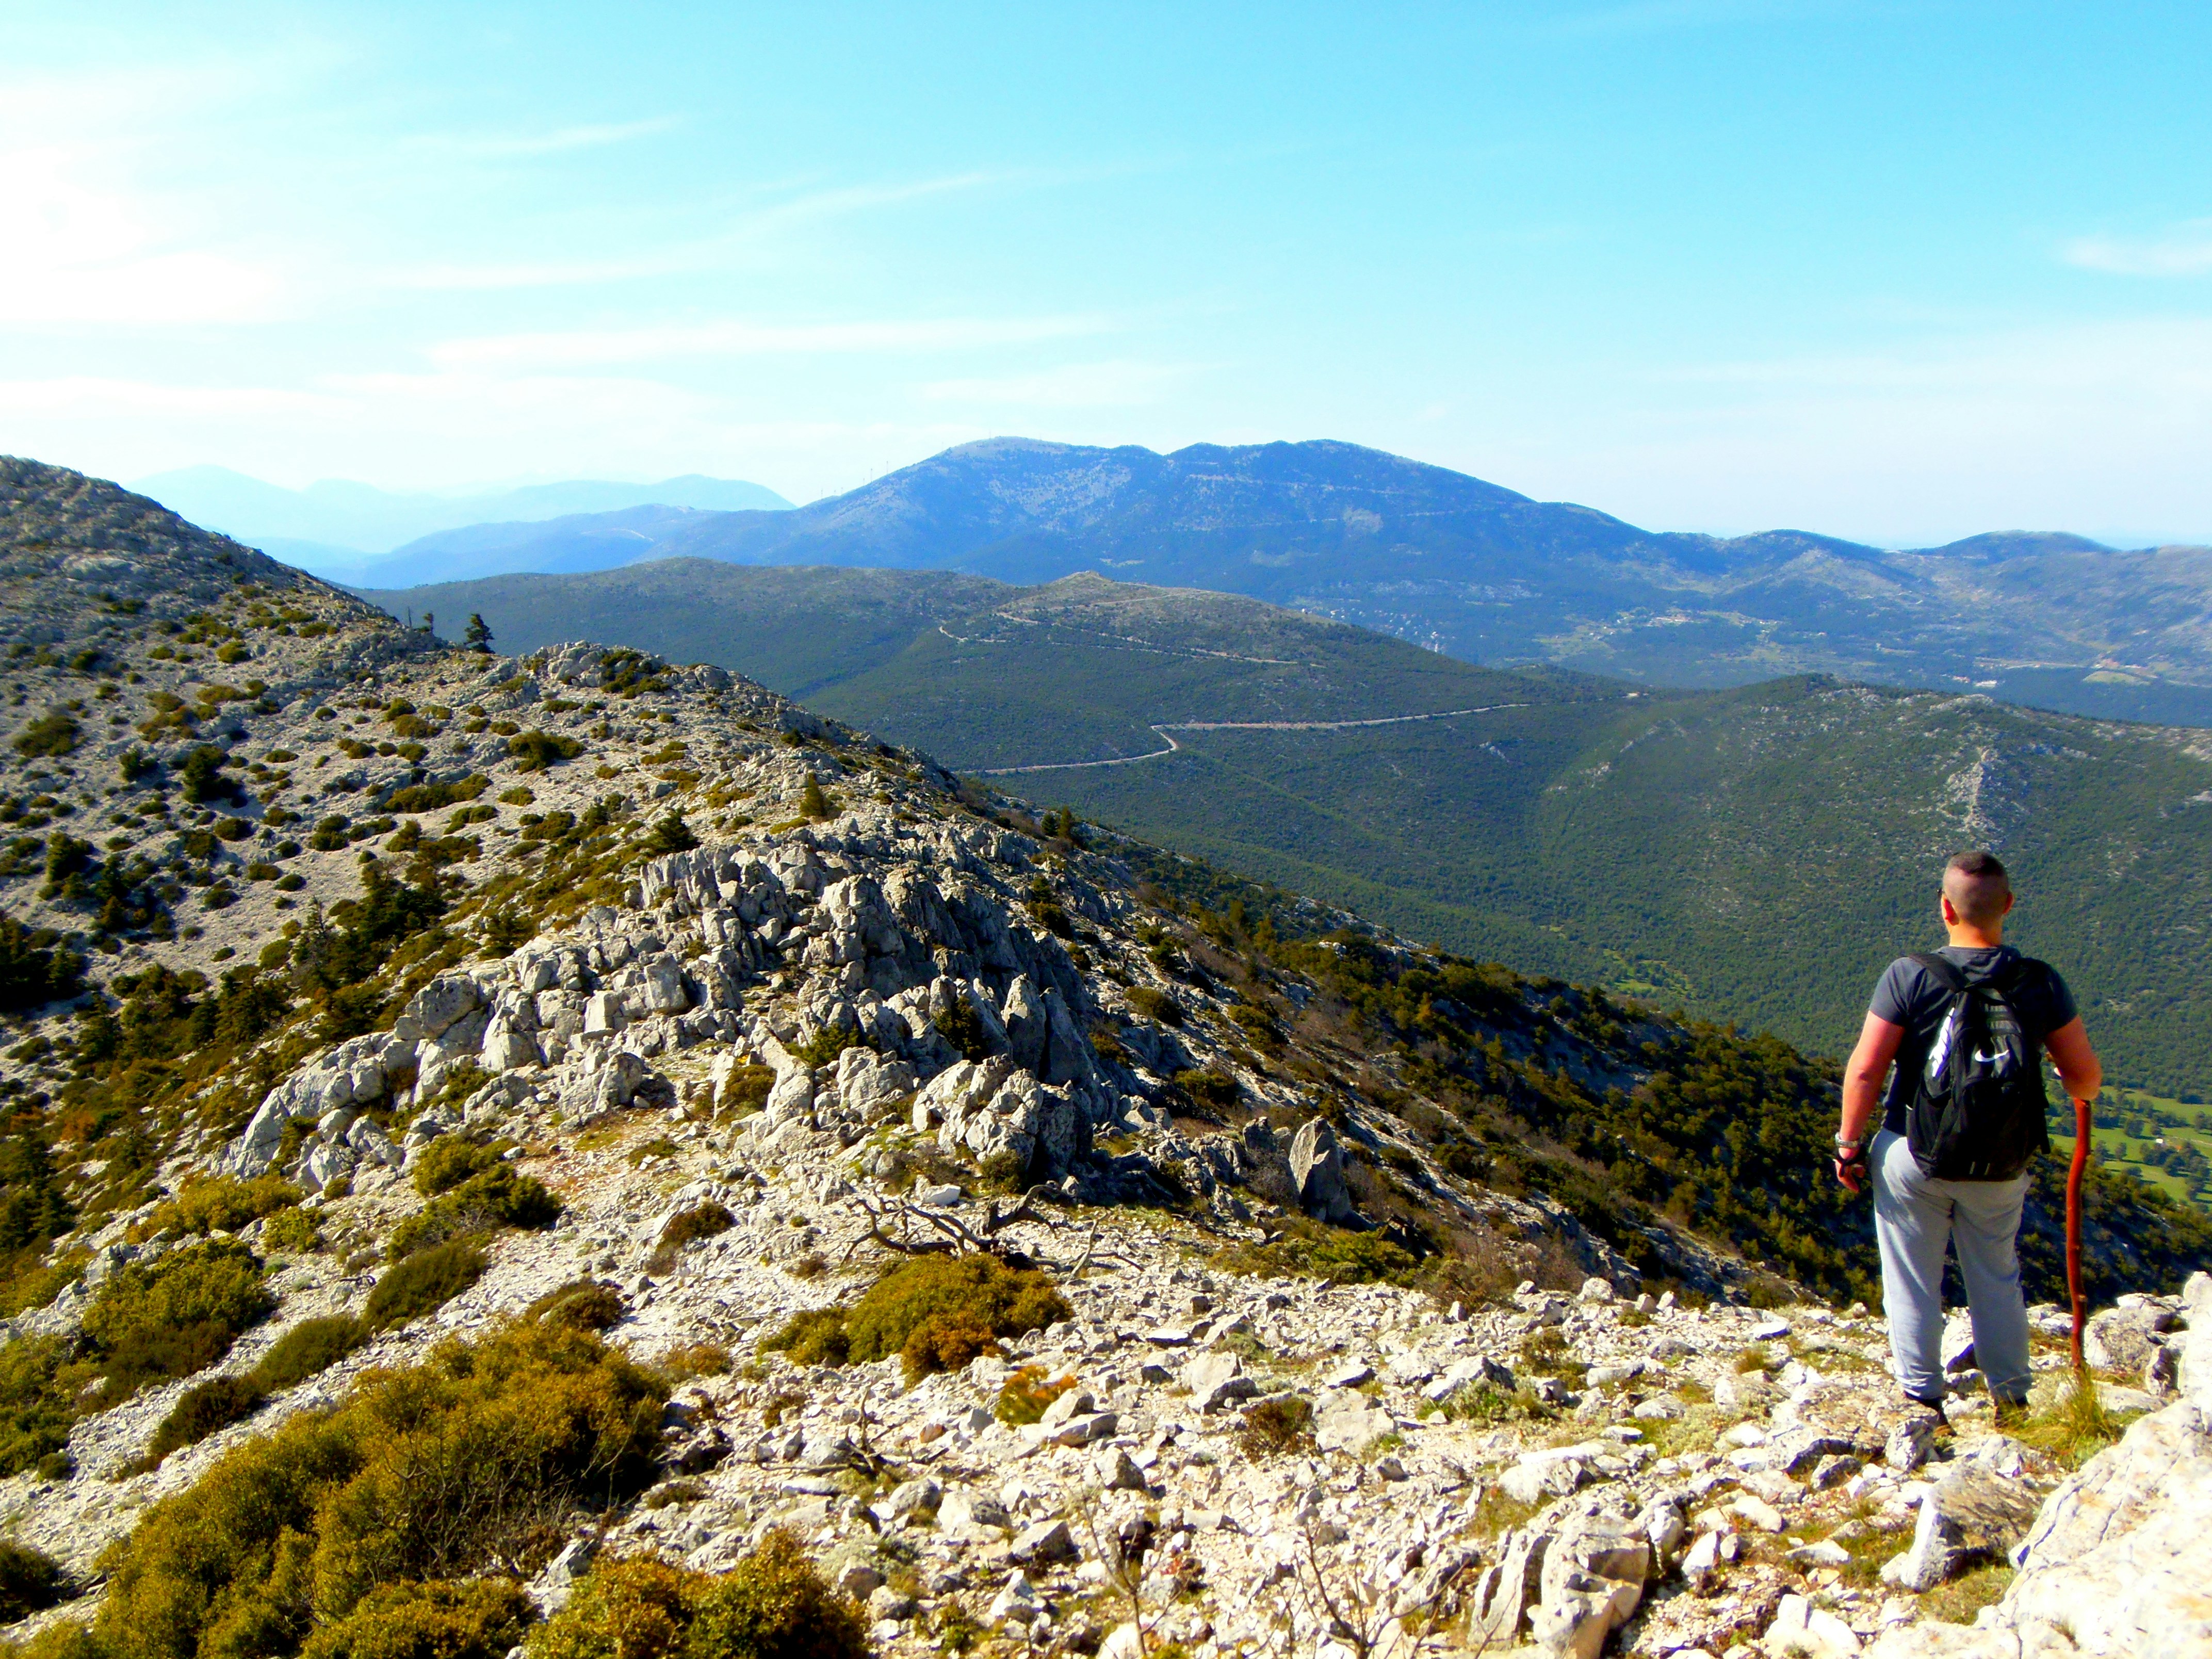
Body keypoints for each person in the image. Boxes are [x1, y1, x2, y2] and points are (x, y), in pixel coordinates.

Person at [1834, 850, 2102, 1411]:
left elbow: (1864, 1070)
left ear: (1944, 909)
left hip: (1912, 1151)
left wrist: (1849, 1145)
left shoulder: (1909, 975)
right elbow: (2085, 1082)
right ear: (2007, 905)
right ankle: (2011, 1400)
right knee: (1996, 1277)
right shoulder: (2039, 983)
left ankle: (1922, 1399)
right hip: (2002, 1159)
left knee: (1911, 1279)